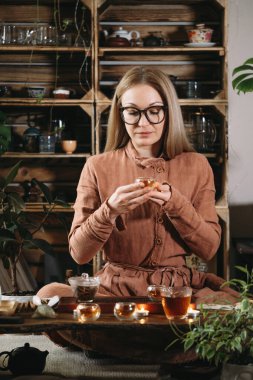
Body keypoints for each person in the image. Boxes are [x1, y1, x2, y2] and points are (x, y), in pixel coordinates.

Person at [38, 66, 238, 304]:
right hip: (114, 290)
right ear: (121, 114)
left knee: (228, 306)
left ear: (168, 111)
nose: (143, 122)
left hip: (177, 290)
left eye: (154, 111)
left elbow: (209, 248)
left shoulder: (197, 165)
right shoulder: (96, 166)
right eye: (133, 112)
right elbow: (80, 254)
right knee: (48, 296)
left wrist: (176, 204)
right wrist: (109, 210)